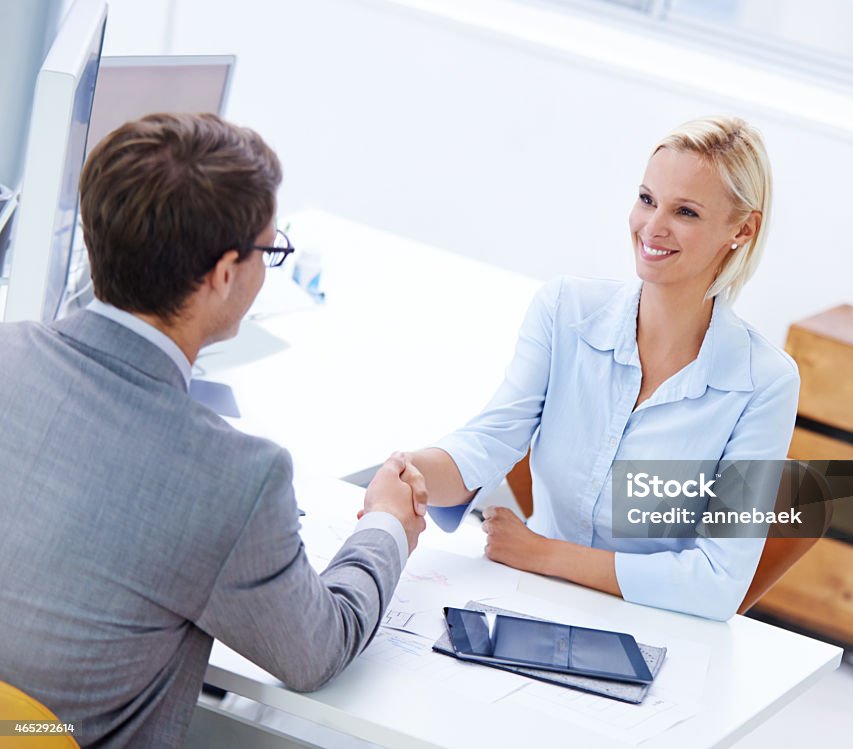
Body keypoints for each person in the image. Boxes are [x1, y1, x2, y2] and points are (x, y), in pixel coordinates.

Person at [0, 113, 426, 748]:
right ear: (225, 273)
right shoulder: (234, 479)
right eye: (270, 249)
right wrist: (386, 524)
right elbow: (314, 652)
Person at [395, 116, 798, 621]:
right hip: (526, 601)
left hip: (649, 629)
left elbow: (717, 582)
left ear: (742, 229)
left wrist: (545, 555)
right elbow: (490, 440)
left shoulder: (764, 383)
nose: (653, 227)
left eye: (686, 212)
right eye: (647, 199)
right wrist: (408, 473)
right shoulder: (565, 310)